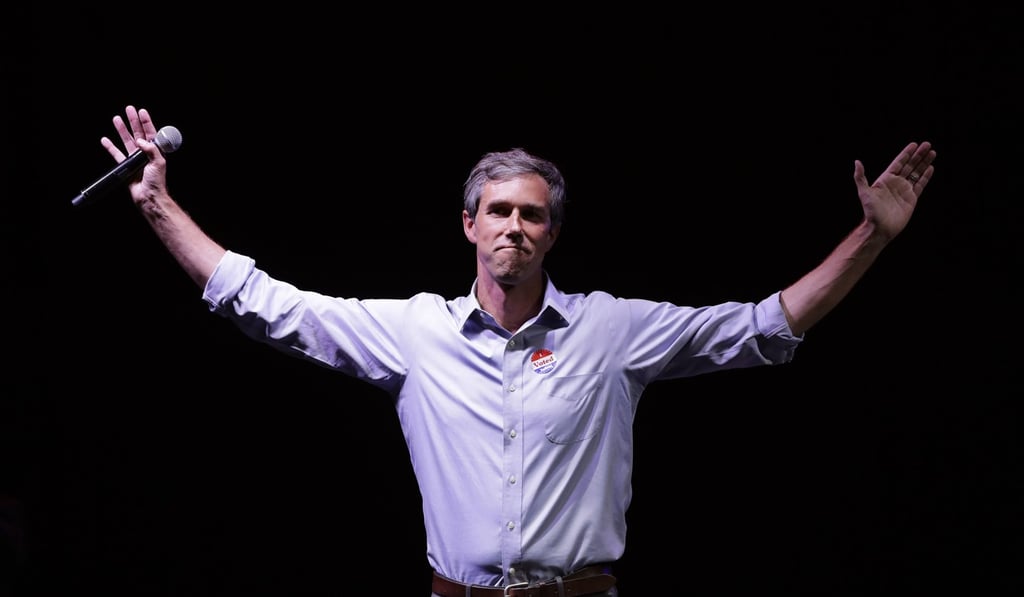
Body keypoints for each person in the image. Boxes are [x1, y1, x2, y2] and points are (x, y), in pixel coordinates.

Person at [96, 105, 935, 596]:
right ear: (469, 223)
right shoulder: (417, 333)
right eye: (498, 211)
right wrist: (159, 209)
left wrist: (870, 236)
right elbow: (268, 305)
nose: (514, 228)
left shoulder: (610, 331)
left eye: (532, 215)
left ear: (553, 232)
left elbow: (763, 326)